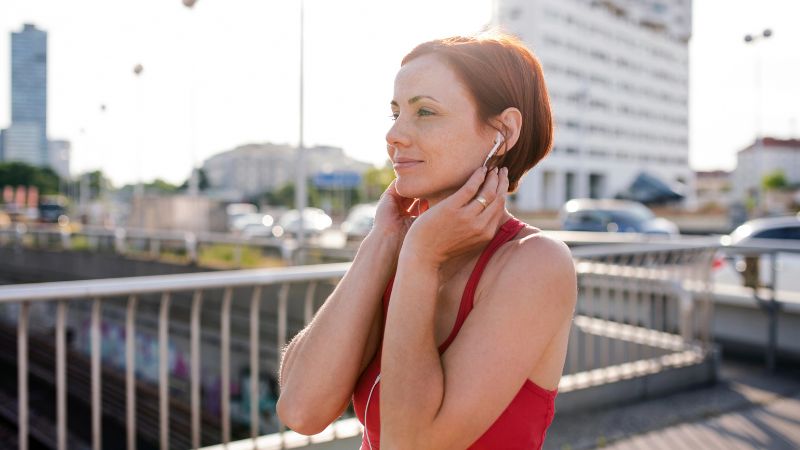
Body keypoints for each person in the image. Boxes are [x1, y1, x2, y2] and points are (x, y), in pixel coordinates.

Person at [277, 31, 577, 450]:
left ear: (503, 132)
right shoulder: (396, 247)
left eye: (426, 112)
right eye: (395, 112)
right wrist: (382, 241)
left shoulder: (535, 263)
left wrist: (420, 258)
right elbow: (302, 410)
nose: (394, 135)